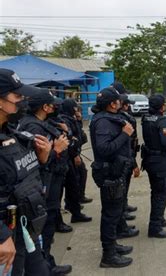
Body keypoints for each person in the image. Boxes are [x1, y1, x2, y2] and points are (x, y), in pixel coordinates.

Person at [17, 89, 75, 275]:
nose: (55, 107)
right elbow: (33, 163)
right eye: (52, 104)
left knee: (47, 222)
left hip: (51, 179)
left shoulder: (43, 123)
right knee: (44, 225)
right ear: (45, 107)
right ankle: (46, 265)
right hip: (42, 183)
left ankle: (47, 262)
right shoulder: (33, 127)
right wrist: (56, 150)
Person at [0, 69, 52, 276]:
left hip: (25, 227)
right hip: (5, 238)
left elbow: (27, 177)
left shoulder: (14, 134)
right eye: (17, 96)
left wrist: (43, 157)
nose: (23, 101)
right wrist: (2, 236)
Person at [89, 87, 136, 268]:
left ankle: (113, 246)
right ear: (111, 103)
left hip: (116, 172)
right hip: (109, 174)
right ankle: (108, 255)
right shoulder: (102, 122)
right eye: (117, 100)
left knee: (114, 212)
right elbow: (104, 149)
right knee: (110, 215)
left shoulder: (108, 118)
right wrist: (125, 134)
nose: (120, 103)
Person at [141, 95, 166, 238]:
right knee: (161, 194)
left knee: (156, 192)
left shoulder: (145, 118)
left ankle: (159, 218)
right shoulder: (162, 121)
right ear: (161, 107)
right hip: (160, 161)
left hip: (149, 159)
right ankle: (155, 227)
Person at [118, 95, 139, 221]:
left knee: (125, 184)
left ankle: (124, 205)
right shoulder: (124, 119)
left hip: (128, 154)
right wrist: (134, 163)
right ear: (124, 105)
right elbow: (128, 144)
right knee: (123, 184)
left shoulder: (123, 117)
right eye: (128, 104)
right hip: (125, 156)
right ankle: (122, 211)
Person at [72, 107, 93, 204]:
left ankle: (80, 196)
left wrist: (79, 120)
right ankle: (74, 201)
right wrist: (75, 154)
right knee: (74, 178)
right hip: (72, 154)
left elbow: (79, 133)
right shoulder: (68, 121)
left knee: (82, 173)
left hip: (76, 152)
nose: (78, 113)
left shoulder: (75, 121)